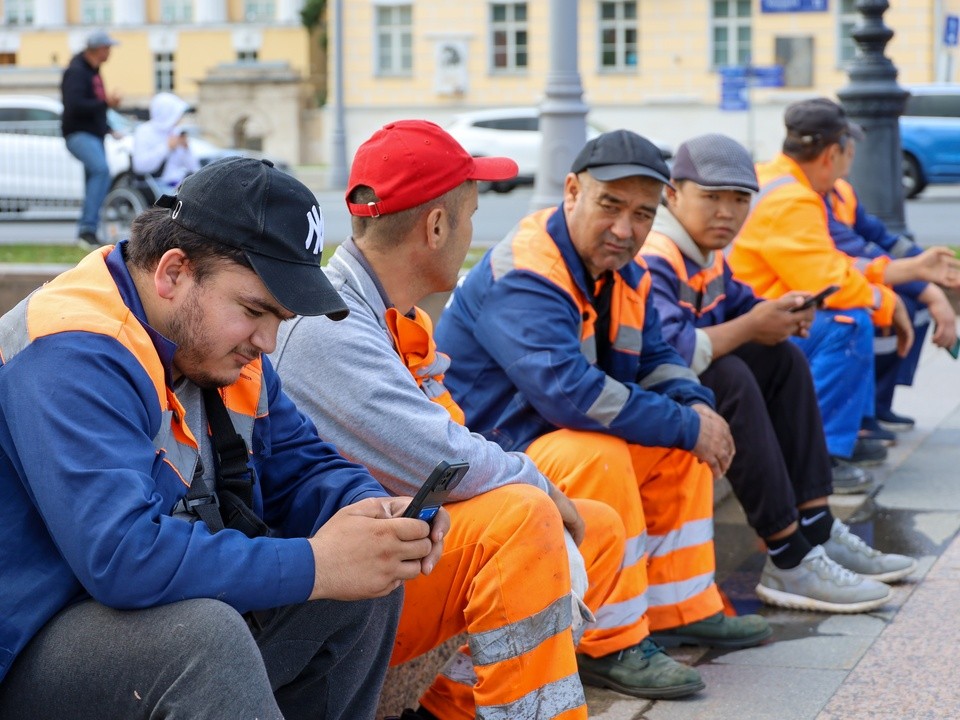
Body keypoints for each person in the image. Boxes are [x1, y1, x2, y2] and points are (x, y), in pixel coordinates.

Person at [271, 120, 705, 718]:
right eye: (470, 215)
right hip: (335, 589)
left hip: (394, 549)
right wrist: (545, 490)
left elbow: (444, 451)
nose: (474, 230)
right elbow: (443, 455)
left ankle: (457, 706)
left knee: (593, 525)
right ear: (438, 225)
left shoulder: (393, 315)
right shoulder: (330, 326)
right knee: (524, 517)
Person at [0, 157, 441, 720]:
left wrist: (371, 512)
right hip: (27, 646)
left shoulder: (216, 347)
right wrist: (317, 563)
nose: (268, 340)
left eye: (279, 317)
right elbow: (122, 556)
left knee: (366, 585)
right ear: (174, 272)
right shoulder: (71, 350)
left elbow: (304, 467)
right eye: (256, 309)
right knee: (203, 641)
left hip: (130, 623)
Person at [434, 129, 772, 672]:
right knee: (603, 452)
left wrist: (697, 407)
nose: (625, 228)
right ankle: (608, 643)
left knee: (681, 442)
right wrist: (688, 423)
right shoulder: (527, 271)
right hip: (490, 463)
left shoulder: (620, 270)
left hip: (538, 445)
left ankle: (679, 606)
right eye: (610, 205)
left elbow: (659, 359)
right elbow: (571, 395)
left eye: (642, 214)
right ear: (571, 191)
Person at [640, 133, 916, 613]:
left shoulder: (706, 252)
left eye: (739, 199)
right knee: (730, 378)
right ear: (672, 193)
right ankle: (787, 557)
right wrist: (752, 324)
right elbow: (670, 353)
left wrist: (780, 312)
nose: (726, 212)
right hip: (638, 395)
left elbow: (744, 303)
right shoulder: (657, 253)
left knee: (781, 357)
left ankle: (817, 526)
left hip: (674, 390)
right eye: (711, 197)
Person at [727, 97, 915, 470]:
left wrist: (881, 290)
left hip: (744, 309)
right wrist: (888, 302)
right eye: (849, 153)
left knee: (855, 312)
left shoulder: (771, 177)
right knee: (848, 322)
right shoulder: (794, 199)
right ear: (832, 153)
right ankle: (820, 453)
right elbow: (827, 284)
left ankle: (848, 432)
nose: (849, 165)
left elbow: (827, 265)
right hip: (749, 323)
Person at [826, 153, 960, 439]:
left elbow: (883, 239)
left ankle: (879, 403)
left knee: (914, 306)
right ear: (830, 153)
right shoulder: (803, 198)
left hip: (850, 280)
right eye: (848, 150)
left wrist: (927, 265)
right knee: (874, 315)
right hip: (826, 291)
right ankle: (861, 416)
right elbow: (861, 252)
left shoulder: (840, 190)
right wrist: (928, 287)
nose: (850, 159)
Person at [61, 28, 122, 248]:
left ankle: (88, 232)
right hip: (79, 133)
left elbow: (93, 108)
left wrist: (107, 128)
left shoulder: (93, 72)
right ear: (97, 49)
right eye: (107, 48)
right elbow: (75, 105)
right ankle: (87, 229)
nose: (110, 52)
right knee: (101, 170)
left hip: (93, 134)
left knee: (94, 179)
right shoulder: (77, 71)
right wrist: (107, 104)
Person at [132, 91, 201, 192]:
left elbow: (194, 168)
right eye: (177, 114)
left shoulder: (176, 131)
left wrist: (186, 149)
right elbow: (139, 166)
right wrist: (166, 147)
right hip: (157, 186)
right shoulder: (144, 131)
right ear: (167, 113)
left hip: (180, 183)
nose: (179, 118)